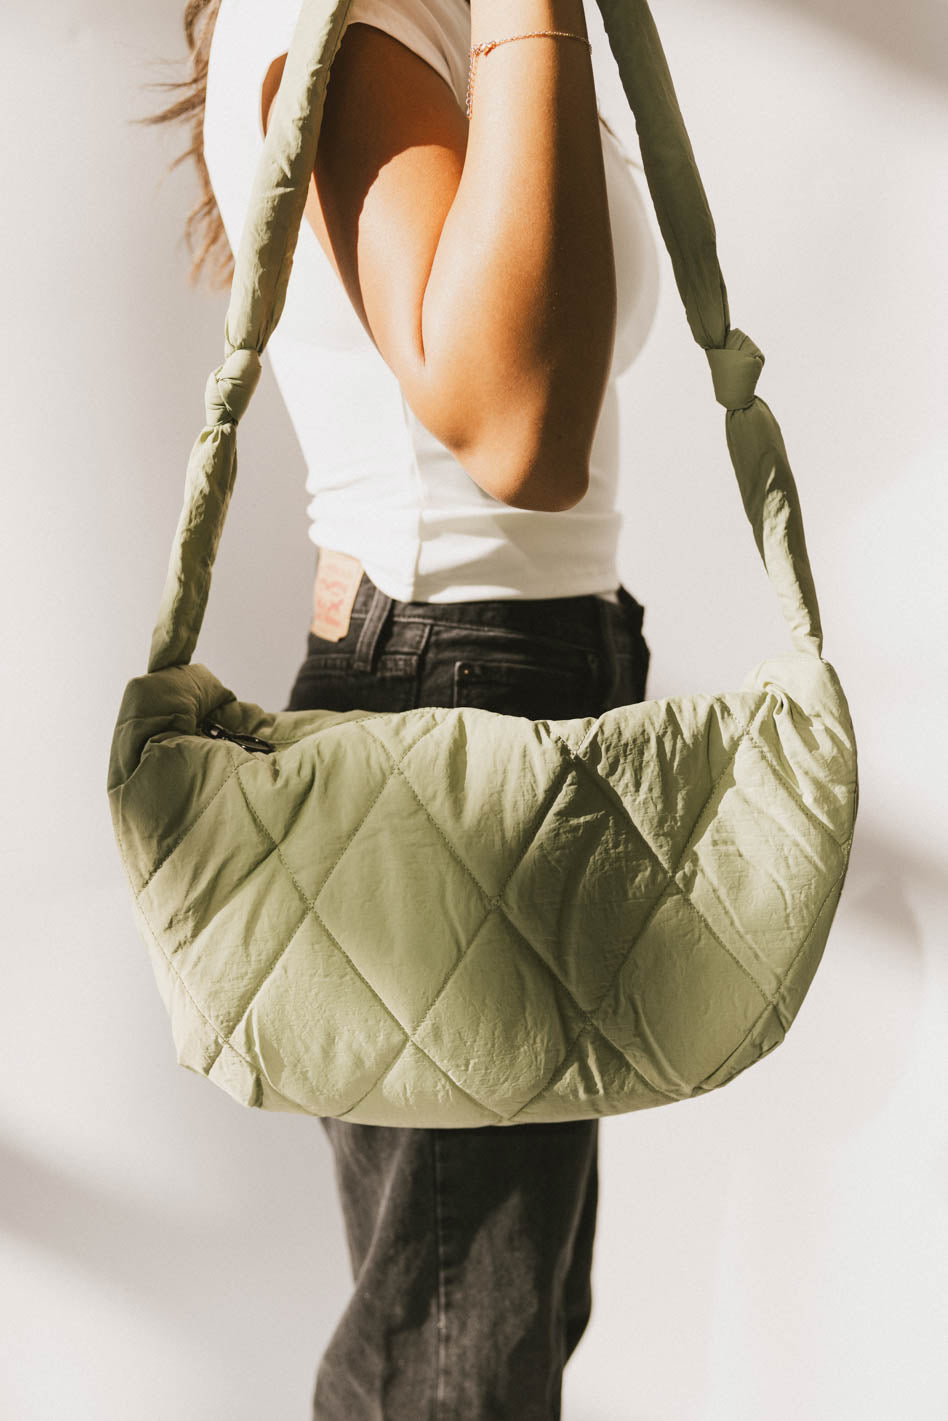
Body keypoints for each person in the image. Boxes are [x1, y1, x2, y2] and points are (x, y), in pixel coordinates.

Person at [146, 1, 658, 1415]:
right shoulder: (367, 20)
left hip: (517, 679)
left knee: (501, 1317)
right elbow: (517, 430)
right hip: (454, 695)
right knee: (458, 1351)